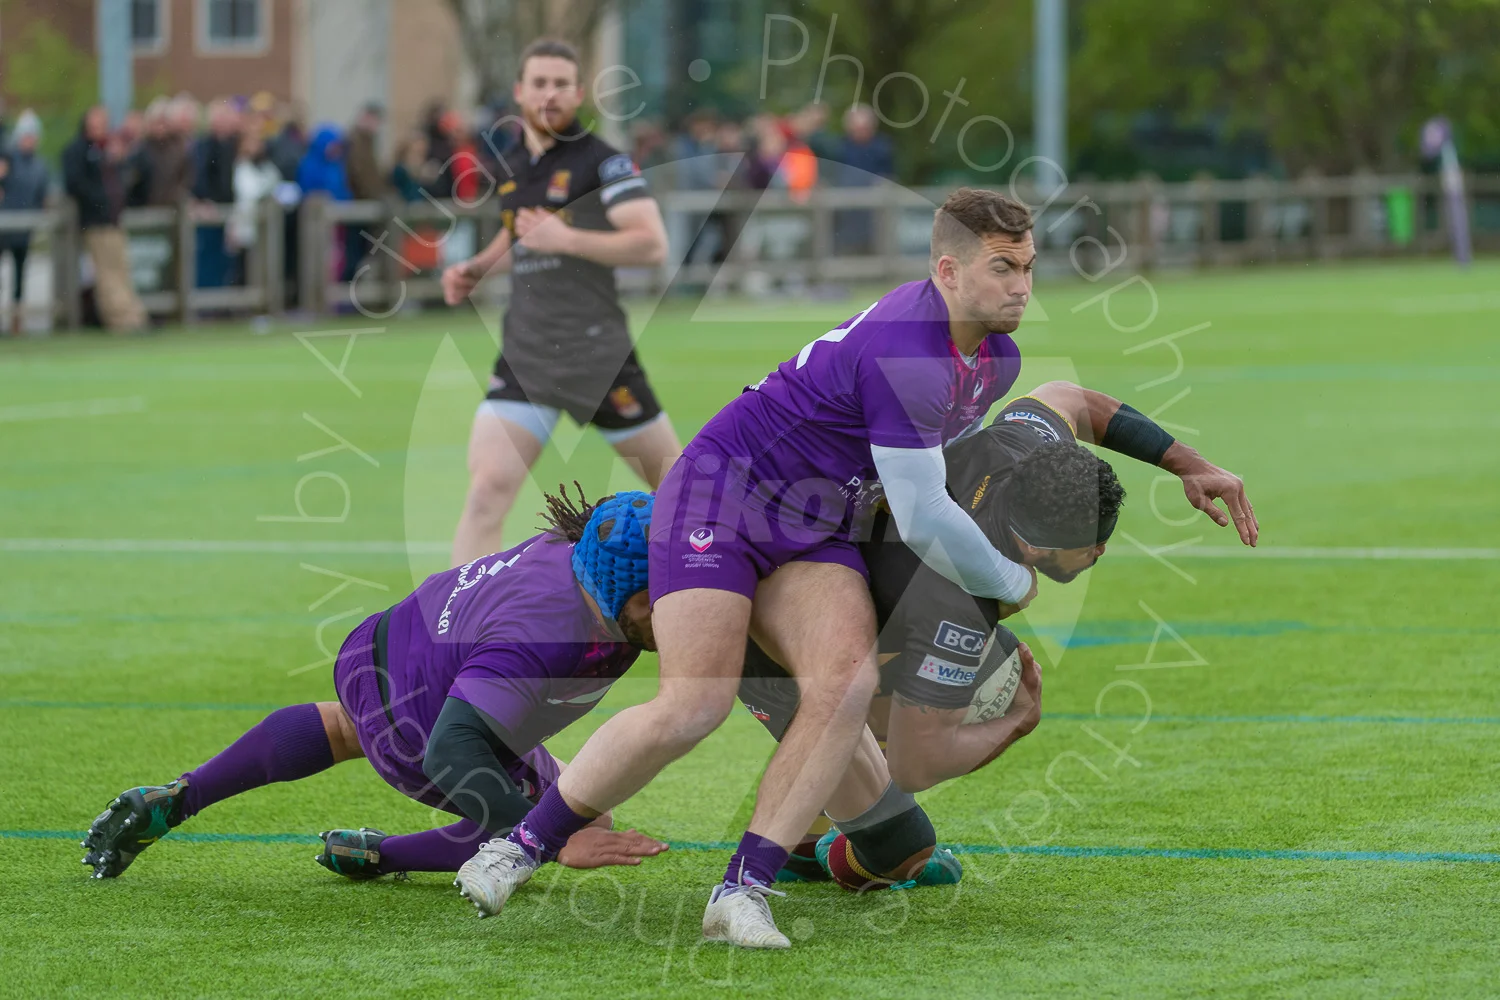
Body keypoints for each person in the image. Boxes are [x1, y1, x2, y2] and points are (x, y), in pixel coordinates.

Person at [452, 186, 1039, 949]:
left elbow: (920, 487)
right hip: (719, 494)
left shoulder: (996, 358)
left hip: (813, 527)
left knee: (845, 683)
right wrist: (1011, 582)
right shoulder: (912, 349)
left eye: (1028, 266)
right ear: (948, 271)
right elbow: (925, 513)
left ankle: (742, 890)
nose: (1022, 287)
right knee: (693, 701)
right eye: (1003, 268)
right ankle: (516, 849)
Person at [740, 380, 1257, 886]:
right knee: (906, 854)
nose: (1100, 552)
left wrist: (1188, 464)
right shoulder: (956, 600)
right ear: (1032, 548)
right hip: (773, 650)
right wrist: (1019, 721)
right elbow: (918, 762)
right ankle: (833, 830)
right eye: (1090, 547)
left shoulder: (1027, 457)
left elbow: (1069, 399)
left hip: (836, 588)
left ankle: (816, 828)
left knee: (948, 675)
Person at [82, 487, 670, 881]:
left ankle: (181, 796)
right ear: (629, 594)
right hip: (421, 733)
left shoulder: (579, 552)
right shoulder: (547, 639)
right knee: (580, 818)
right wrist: (550, 841)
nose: (680, 610)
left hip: (380, 647)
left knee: (346, 725)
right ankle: (381, 853)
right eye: (664, 600)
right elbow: (449, 751)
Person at [441, 38, 680, 567]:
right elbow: (518, 235)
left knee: (679, 493)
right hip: (527, 354)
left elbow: (652, 244)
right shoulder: (514, 164)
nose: (549, 95)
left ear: (577, 93)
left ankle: (724, 593)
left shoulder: (604, 164)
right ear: (520, 91)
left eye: (561, 85)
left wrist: (567, 239)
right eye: (540, 84)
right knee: (486, 492)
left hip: (597, 356)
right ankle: (455, 630)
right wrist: (478, 267)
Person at [63, 107, 147, 333]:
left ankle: (133, 316)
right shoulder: (78, 151)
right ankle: (120, 320)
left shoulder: (105, 151)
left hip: (113, 220)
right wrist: (99, 203)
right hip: (96, 222)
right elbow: (76, 184)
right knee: (107, 274)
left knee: (121, 270)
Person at [0, 111, 49, 335]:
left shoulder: (39, 166)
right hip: (4, 226)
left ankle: (16, 323)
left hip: (24, 228)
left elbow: (40, 196)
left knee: (20, 276)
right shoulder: (7, 159)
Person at [343, 102, 385, 282]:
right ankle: (346, 296)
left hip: (368, 205)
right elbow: (358, 175)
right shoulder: (355, 142)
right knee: (353, 253)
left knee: (363, 253)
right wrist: (372, 198)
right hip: (357, 206)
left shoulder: (368, 142)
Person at [227, 129, 283, 258]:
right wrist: (266, 187)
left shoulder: (265, 164)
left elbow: (276, 179)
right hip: (245, 221)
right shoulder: (241, 165)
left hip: (263, 225)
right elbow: (248, 191)